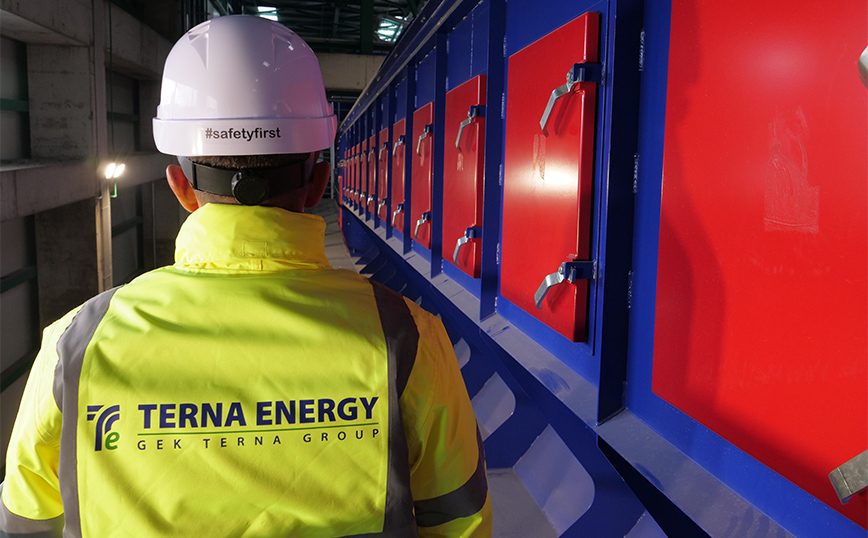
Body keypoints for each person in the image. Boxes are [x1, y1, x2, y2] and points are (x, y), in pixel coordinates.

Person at [0, 15, 491, 538]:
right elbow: (460, 522)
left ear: (180, 187)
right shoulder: (406, 335)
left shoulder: (75, 346)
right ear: (319, 182)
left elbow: (26, 524)